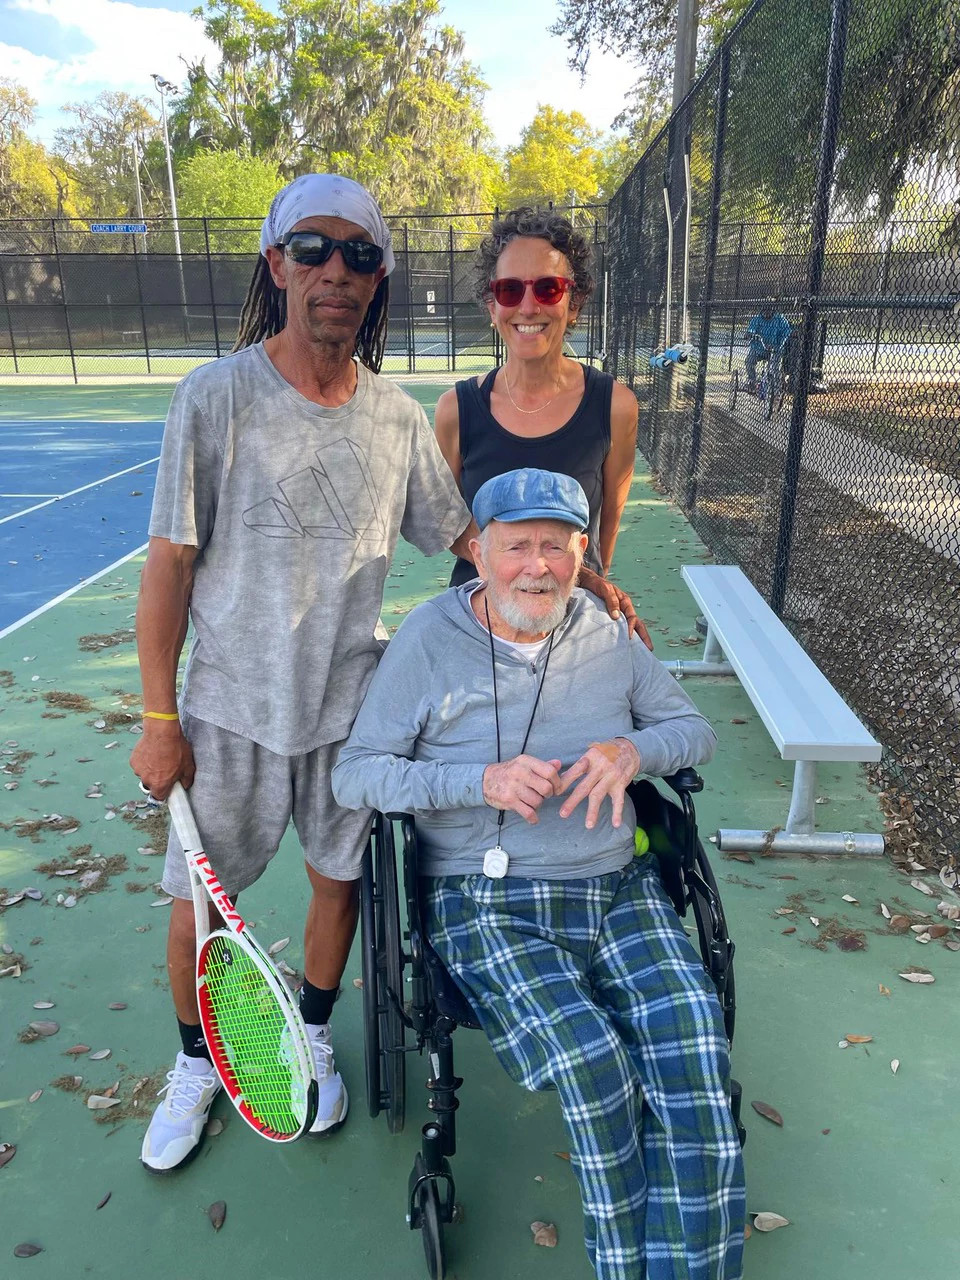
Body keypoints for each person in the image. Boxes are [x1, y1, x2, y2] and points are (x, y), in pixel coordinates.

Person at [130, 173, 477, 1173]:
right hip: (228, 712)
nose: (336, 270)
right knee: (196, 903)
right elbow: (170, 568)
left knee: (338, 886)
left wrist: (560, 575)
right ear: (277, 264)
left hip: (346, 715)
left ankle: (310, 1034)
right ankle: (198, 1062)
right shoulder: (215, 395)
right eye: (313, 250)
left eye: (359, 254)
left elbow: (460, 535)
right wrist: (160, 717)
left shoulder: (398, 419)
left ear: (378, 281)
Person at [332, 468, 746, 1280]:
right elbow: (357, 772)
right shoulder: (427, 639)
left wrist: (634, 752)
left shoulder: (606, 636)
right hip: (486, 902)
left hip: (616, 889)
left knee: (694, 1045)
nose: (536, 566)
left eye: (555, 546)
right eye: (516, 545)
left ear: (581, 553)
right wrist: (476, 781)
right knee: (595, 1064)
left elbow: (692, 730)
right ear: (478, 551)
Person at [434, 207, 649, 644]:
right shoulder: (456, 409)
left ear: (574, 303)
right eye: (510, 290)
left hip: (568, 613)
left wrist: (593, 581)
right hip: (480, 618)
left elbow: (605, 525)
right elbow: (446, 523)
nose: (528, 306)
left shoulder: (615, 406)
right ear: (492, 306)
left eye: (548, 288)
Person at [745, 304, 791, 395]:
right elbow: (751, 329)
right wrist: (749, 334)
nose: (766, 312)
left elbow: (786, 332)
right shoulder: (757, 319)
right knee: (749, 361)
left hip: (776, 350)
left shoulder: (780, 319)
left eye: (769, 310)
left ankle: (777, 391)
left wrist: (778, 344)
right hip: (758, 348)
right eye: (764, 310)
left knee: (775, 369)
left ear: (773, 310)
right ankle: (752, 381)